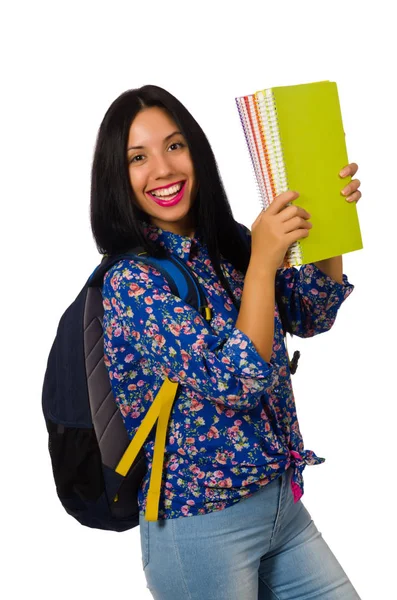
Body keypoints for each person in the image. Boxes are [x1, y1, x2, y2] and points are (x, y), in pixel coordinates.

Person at [90, 85, 362, 599]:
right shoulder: (133, 282)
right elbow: (234, 379)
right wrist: (263, 259)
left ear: (196, 151)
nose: (163, 169)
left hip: (280, 503)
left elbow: (311, 312)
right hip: (200, 525)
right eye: (138, 157)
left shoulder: (227, 241)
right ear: (116, 178)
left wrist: (331, 227)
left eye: (175, 146)